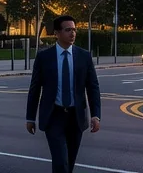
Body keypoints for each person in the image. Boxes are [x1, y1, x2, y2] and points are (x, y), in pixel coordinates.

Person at [25, 15, 101, 173]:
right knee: (61, 162)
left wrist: (96, 115)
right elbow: (35, 88)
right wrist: (30, 117)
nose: (72, 33)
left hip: (76, 116)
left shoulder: (84, 56)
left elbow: (92, 87)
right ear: (57, 33)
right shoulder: (44, 57)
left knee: (69, 162)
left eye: (74, 30)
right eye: (68, 30)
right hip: (54, 116)